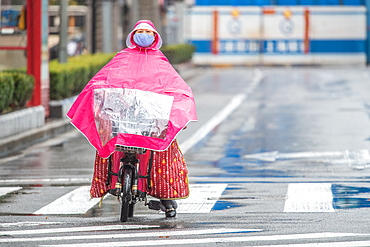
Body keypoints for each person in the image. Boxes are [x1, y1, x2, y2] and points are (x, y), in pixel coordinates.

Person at [80, 20, 197, 218]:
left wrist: (177, 112)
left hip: (150, 121)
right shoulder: (122, 58)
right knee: (106, 144)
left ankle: (166, 199)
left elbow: (177, 88)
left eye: (147, 32)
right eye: (140, 31)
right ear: (133, 35)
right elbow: (104, 79)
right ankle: (109, 183)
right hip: (123, 120)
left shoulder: (160, 61)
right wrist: (95, 94)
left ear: (155, 37)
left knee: (164, 151)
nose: (144, 35)